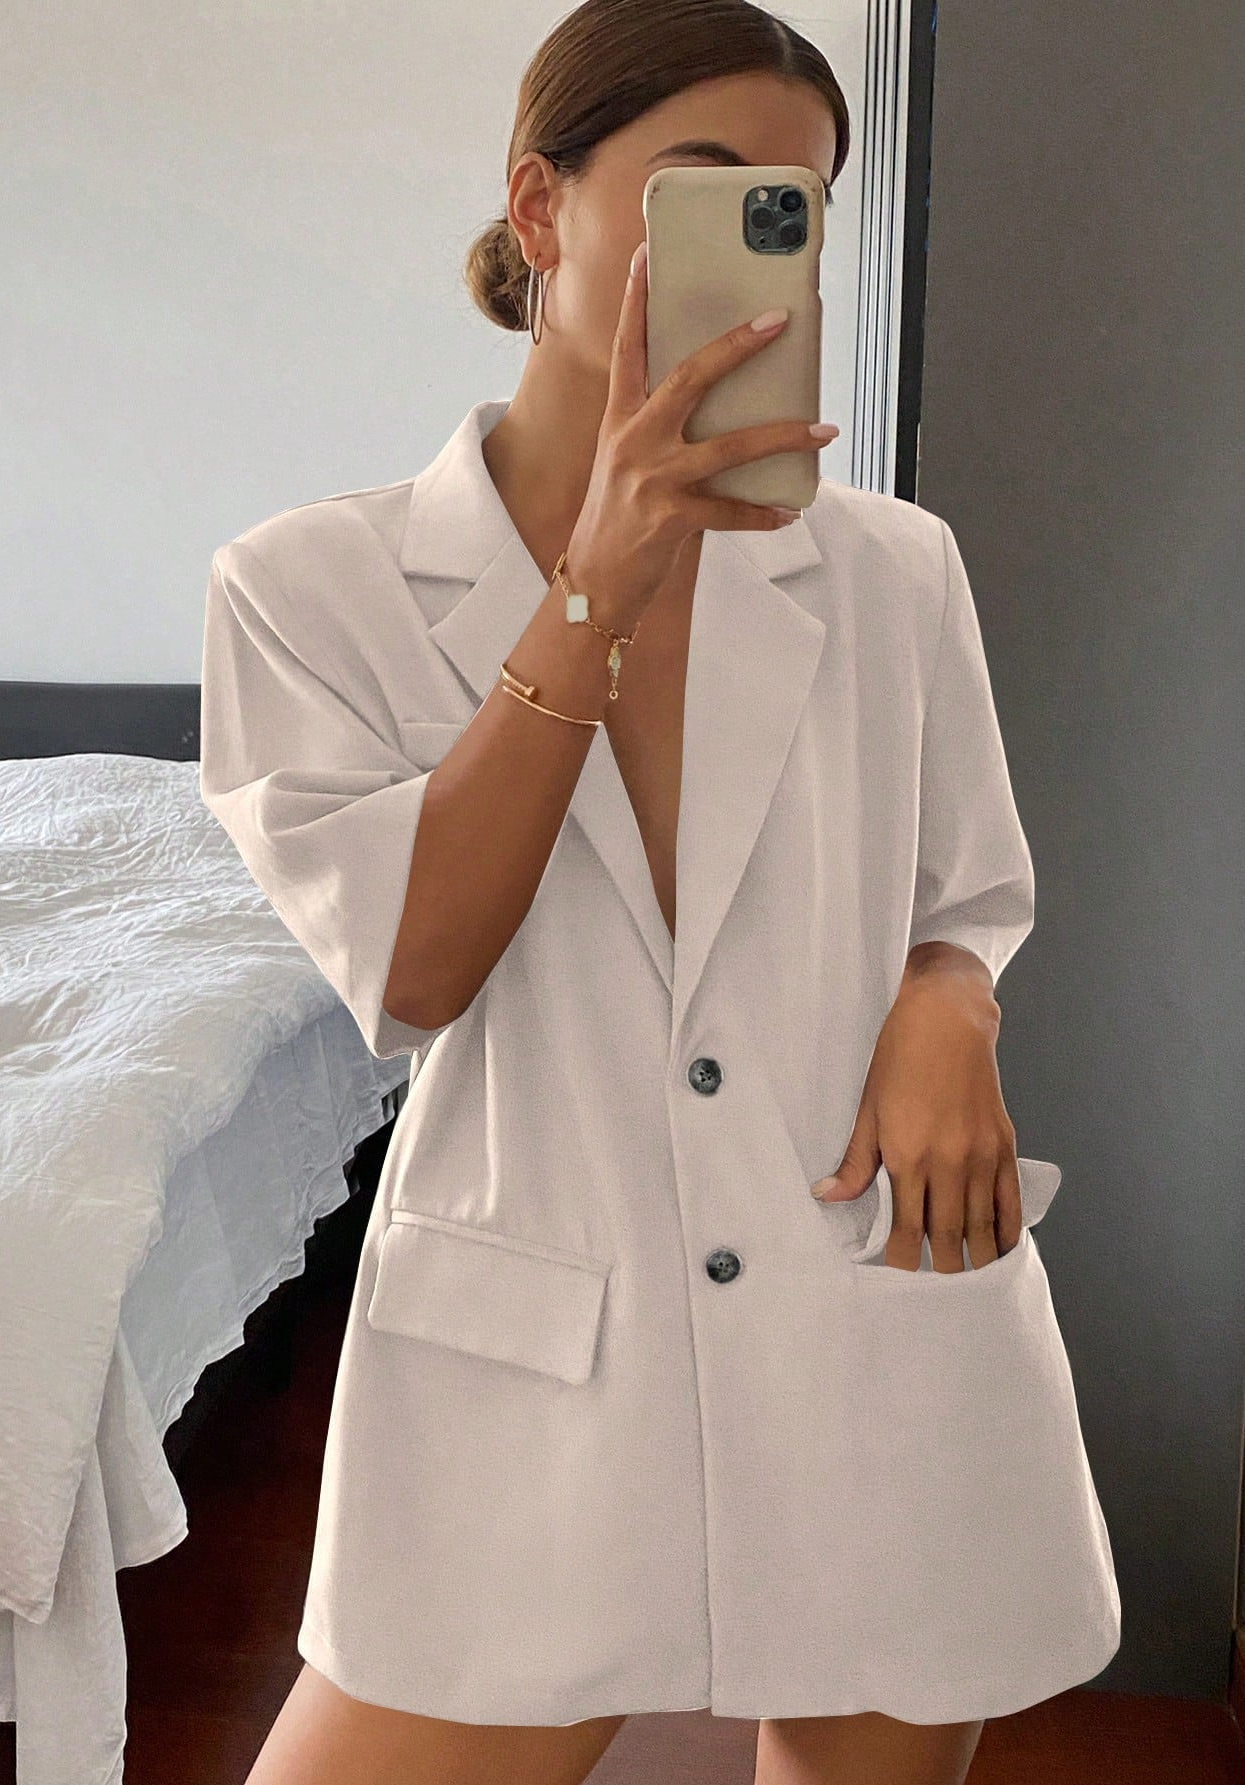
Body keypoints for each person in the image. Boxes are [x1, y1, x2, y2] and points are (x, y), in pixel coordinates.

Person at [198, 4, 1120, 1781]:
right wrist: (593, 591)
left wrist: (952, 996)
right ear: (540, 208)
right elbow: (416, 964)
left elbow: (967, 886)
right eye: (709, 192)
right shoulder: (306, 589)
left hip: (875, 1308)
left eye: (798, 209)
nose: (761, 248)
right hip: (536, 1346)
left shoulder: (895, 571)